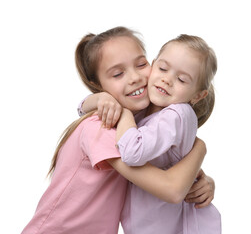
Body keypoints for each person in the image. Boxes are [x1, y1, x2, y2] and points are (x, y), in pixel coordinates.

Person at [21, 27, 209, 234]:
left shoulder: (138, 124)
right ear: (97, 84)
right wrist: (200, 148)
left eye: (141, 64)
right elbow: (172, 189)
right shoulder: (102, 128)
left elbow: (171, 166)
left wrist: (202, 182)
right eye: (118, 74)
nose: (135, 77)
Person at [79, 33, 220, 233]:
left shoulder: (176, 114)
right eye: (162, 68)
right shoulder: (148, 108)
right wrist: (101, 99)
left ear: (198, 95)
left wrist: (124, 113)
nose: (166, 79)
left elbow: (132, 153)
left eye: (181, 79)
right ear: (154, 64)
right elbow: (82, 109)